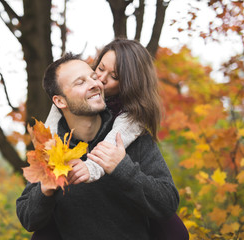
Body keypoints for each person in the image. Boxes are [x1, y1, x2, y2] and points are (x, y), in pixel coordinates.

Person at [16, 52, 180, 239]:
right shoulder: (50, 149)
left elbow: (168, 203)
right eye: (80, 82)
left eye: (93, 77)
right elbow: (28, 219)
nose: (96, 84)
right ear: (59, 101)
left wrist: (122, 169)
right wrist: (45, 190)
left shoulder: (134, 138)